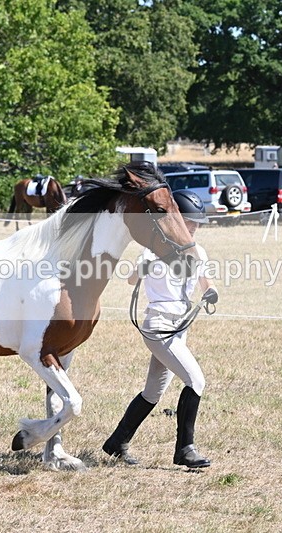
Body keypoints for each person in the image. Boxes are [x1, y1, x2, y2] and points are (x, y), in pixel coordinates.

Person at [103, 189, 218, 469]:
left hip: (179, 327)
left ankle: (117, 441)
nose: (194, 228)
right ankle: (185, 449)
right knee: (196, 380)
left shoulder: (196, 250)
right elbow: (131, 280)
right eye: (190, 222)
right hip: (158, 325)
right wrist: (145, 266)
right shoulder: (152, 249)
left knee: (152, 392)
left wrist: (211, 292)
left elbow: (206, 280)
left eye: (196, 224)